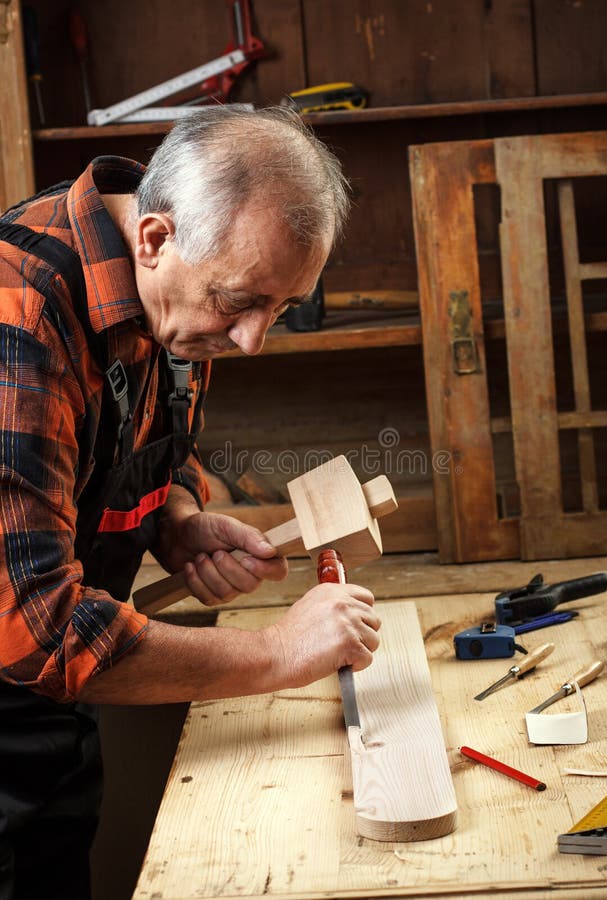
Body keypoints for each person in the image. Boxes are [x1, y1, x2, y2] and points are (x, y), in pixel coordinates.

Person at [0, 106, 381, 900]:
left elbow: (141, 438)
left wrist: (170, 516)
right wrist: (279, 654)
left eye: (281, 308)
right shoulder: (19, 318)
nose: (253, 341)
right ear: (154, 239)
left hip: (50, 723)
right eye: (240, 303)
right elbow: (36, 630)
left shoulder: (174, 298)